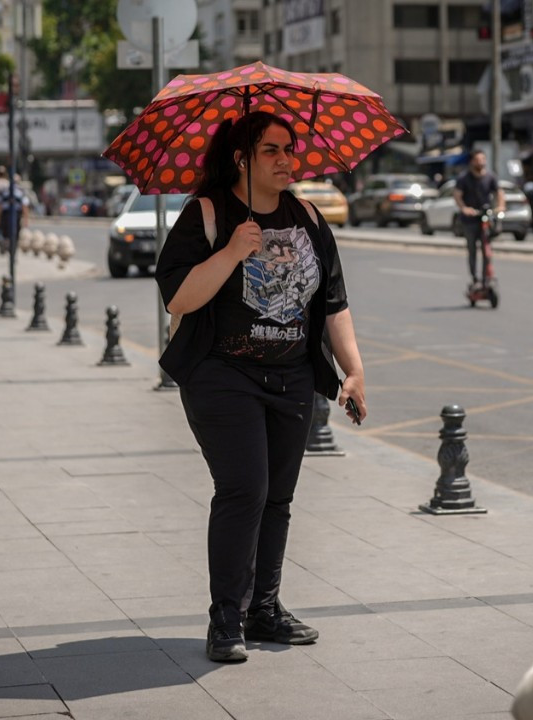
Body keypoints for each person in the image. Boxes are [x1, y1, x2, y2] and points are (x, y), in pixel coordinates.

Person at [155, 111, 367, 664]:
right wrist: (230, 252)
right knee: (244, 489)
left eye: (288, 150)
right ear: (241, 158)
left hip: (292, 376)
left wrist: (354, 371)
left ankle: (264, 610)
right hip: (222, 375)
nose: (285, 160)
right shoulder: (208, 213)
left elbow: (334, 303)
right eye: (271, 150)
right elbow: (177, 299)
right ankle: (226, 618)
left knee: (277, 496)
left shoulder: (309, 218)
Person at [452, 150, 504, 288]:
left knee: (487, 249)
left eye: (482, 159)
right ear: (472, 161)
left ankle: (486, 277)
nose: (480, 162)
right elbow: (457, 195)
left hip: (485, 216)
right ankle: (475, 278)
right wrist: (464, 208)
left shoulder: (490, 177)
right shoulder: (464, 178)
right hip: (470, 219)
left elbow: (499, 192)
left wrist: (500, 206)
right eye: (477, 159)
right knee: (472, 250)